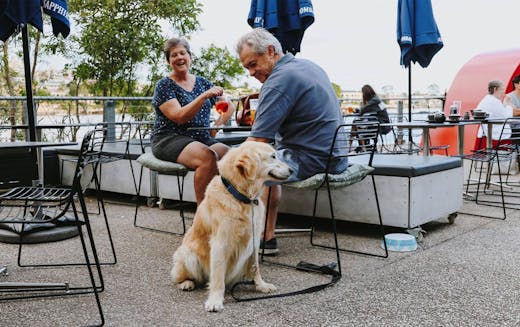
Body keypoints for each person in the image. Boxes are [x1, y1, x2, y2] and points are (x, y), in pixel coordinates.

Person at [236, 28, 348, 255]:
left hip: (312, 160)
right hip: (337, 157)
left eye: (253, 64)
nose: (250, 73)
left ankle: (235, 238)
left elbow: (257, 140)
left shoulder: (279, 79)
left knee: (239, 168)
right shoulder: (308, 66)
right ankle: (266, 237)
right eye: (247, 67)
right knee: (267, 158)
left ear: (270, 51)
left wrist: (226, 164)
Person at [151, 37, 234, 204]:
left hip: (201, 138)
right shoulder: (164, 85)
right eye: (174, 55)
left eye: (183, 53)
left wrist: (215, 128)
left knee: (232, 157)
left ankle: (227, 208)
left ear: (190, 57)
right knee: (207, 157)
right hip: (169, 138)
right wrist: (204, 96)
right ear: (169, 61)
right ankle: (204, 218)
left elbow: (228, 107)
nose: (179, 57)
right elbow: (180, 117)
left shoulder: (203, 82)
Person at [474, 80, 520, 149]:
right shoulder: (493, 101)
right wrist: (508, 102)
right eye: (502, 89)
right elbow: (508, 114)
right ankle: (518, 152)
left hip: (491, 130)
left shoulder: (488, 99)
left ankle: (518, 152)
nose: (503, 92)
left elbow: (504, 113)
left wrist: (507, 104)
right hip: (499, 131)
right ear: (495, 89)